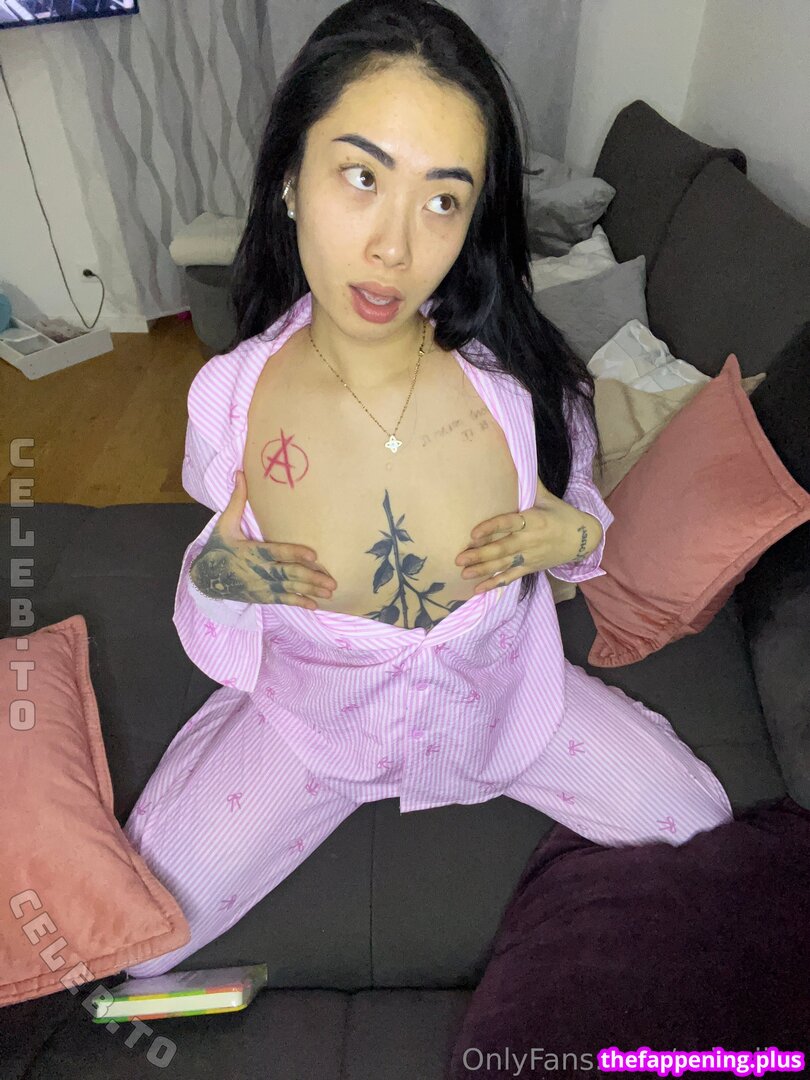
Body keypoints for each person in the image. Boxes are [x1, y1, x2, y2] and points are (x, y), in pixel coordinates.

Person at [122, 0, 732, 979]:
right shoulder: (229, 401)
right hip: (316, 724)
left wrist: (572, 535)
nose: (394, 250)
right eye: (362, 177)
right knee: (142, 942)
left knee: (703, 828)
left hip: (502, 706)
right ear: (290, 179)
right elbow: (217, 559)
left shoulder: (525, 385)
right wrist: (223, 576)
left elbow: (579, 526)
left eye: (442, 200)